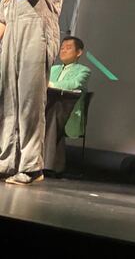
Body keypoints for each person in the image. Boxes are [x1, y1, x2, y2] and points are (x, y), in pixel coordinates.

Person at [0, 0, 67, 185]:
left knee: (29, 100)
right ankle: (7, 162)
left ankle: (31, 167)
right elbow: (4, 13)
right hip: (11, 36)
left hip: (36, 34)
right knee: (8, 99)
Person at [45, 36, 91, 173]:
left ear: (79, 52)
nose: (63, 51)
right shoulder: (53, 69)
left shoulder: (84, 70)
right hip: (49, 108)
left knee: (52, 118)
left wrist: (51, 84)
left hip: (68, 112)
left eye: (68, 48)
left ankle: (49, 164)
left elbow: (74, 84)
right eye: (62, 48)